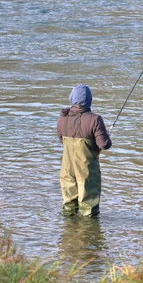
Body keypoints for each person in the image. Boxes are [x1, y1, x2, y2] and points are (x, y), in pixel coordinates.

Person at [57, 84, 112, 217]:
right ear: (89, 100)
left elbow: (61, 139)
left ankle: (69, 234)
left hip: (67, 169)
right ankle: (88, 235)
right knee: (89, 210)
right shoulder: (95, 119)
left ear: (73, 98)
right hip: (86, 171)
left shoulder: (62, 118)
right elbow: (104, 145)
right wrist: (107, 136)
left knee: (68, 208)